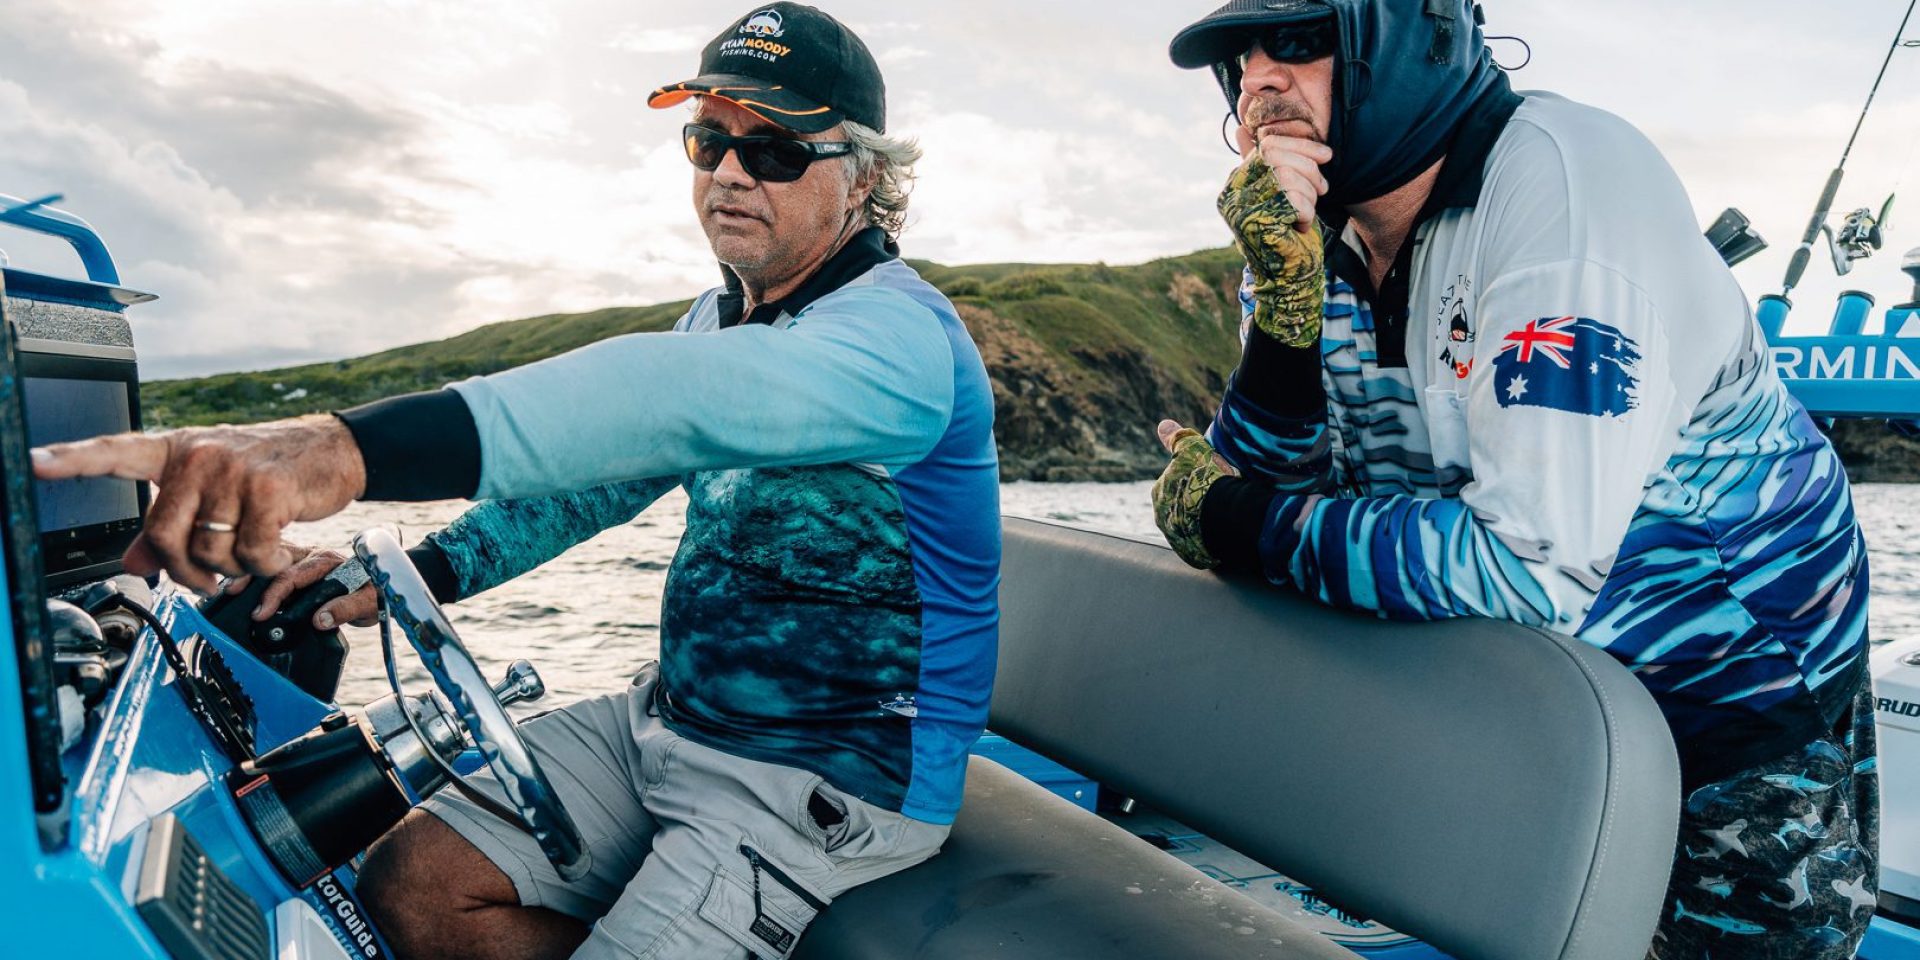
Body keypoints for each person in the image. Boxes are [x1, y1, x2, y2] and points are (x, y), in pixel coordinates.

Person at [34, 4, 999, 958]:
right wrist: (420, 575)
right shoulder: (719, 319)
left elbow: (658, 403)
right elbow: (590, 486)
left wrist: (342, 448)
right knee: (413, 886)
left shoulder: (899, 343)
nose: (732, 174)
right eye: (710, 142)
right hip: (669, 720)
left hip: (827, 781)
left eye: (777, 150)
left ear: (866, 175)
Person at [1152, 1, 1879, 956]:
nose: (1256, 81)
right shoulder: (1299, 234)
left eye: (1297, 41)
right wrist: (1284, 318)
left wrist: (1241, 518)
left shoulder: (1567, 186)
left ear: (1417, 36)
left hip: (1728, 696)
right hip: (1506, 686)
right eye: (1236, 59)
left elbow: (1527, 568)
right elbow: (1260, 493)